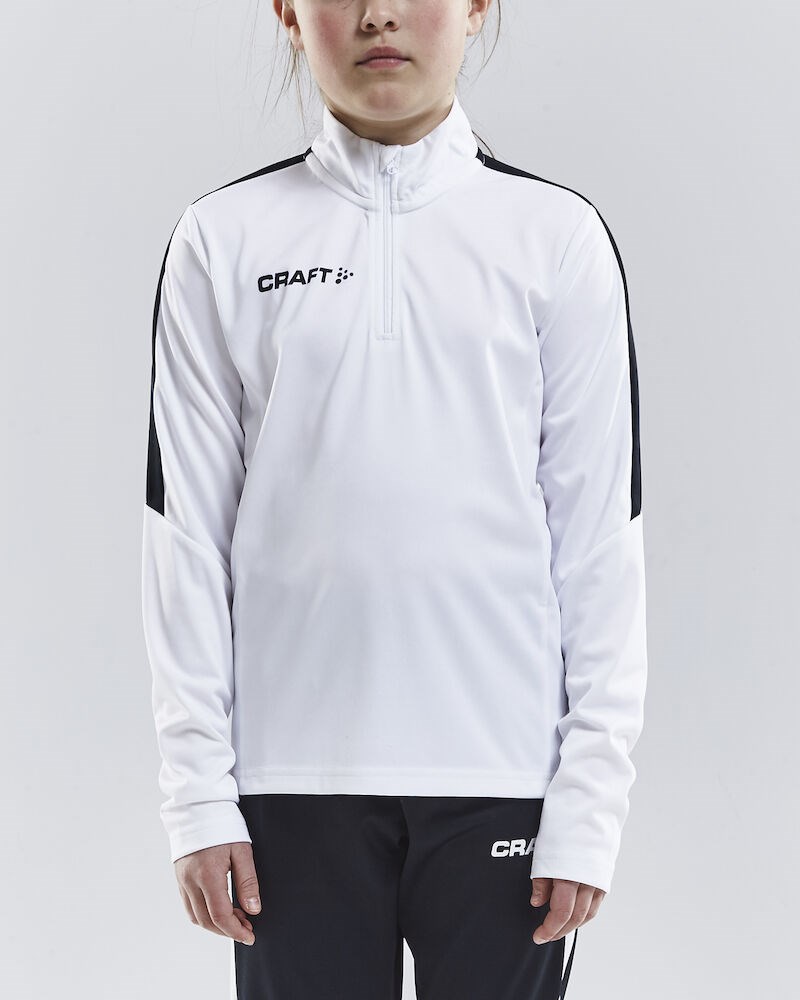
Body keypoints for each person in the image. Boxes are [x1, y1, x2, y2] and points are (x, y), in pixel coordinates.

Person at [141, 1, 648, 997]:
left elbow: (599, 539)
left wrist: (590, 794)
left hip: (504, 776)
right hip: (290, 782)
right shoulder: (222, 239)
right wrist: (196, 793)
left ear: (476, 8)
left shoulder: (555, 238)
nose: (378, 14)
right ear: (289, 14)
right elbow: (184, 538)